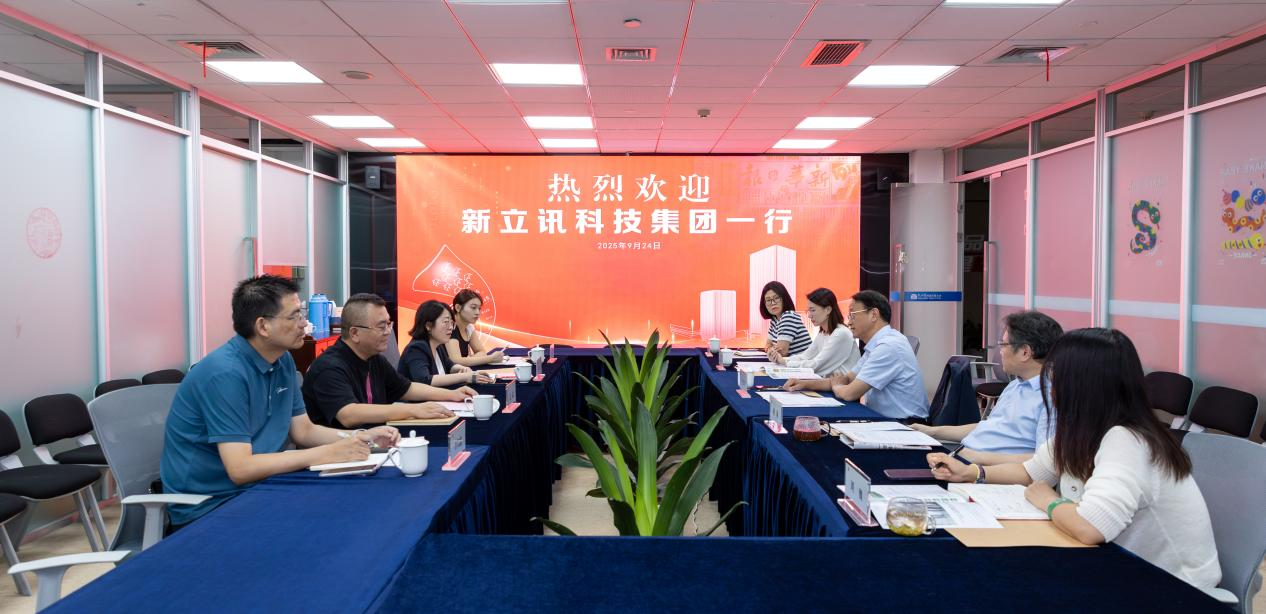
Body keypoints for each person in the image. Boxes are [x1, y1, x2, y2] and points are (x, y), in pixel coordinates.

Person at [927, 328, 1221, 593]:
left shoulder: (1127, 440)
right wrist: (972, 473)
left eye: (1056, 375)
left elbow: (1090, 527)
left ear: (1080, 384)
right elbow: (1030, 472)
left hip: (1172, 589)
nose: (1050, 384)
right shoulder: (1084, 428)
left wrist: (1048, 500)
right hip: (1113, 567)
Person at [160, 275, 399, 529]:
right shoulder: (225, 374)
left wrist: (362, 437)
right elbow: (240, 468)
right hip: (212, 505)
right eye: (295, 316)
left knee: (358, 506)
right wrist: (327, 453)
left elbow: (304, 431)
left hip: (262, 488)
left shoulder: (282, 360)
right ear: (263, 326)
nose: (304, 323)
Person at [911, 311, 1063, 465]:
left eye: (1003, 344)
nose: (1000, 351)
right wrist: (931, 431)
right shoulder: (1016, 385)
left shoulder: (1051, 398)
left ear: (1025, 352)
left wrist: (974, 459)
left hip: (983, 470)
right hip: (964, 457)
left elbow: (1043, 462)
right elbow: (989, 426)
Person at [302, 293, 473, 429]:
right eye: (381, 326)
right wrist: (414, 409)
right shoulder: (329, 366)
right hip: (337, 453)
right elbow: (349, 414)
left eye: (389, 324)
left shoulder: (375, 359)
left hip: (374, 442)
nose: (388, 332)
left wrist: (452, 395)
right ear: (354, 333)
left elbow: (407, 388)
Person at [786, 290, 927, 420]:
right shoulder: (877, 344)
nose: (849, 322)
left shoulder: (888, 346)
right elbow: (847, 379)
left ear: (874, 315)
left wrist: (836, 386)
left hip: (904, 424)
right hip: (883, 418)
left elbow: (849, 393)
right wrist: (804, 384)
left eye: (853, 315)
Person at [766, 287, 859, 377]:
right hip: (829, 382)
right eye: (808, 311)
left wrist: (783, 361)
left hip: (843, 386)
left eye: (813, 310)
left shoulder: (841, 333)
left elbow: (816, 366)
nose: (809, 315)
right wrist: (780, 359)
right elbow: (805, 356)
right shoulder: (823, 333)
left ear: (828, 310)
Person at [400, 300, 495, 387]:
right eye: (446, 322)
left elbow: (450, 366)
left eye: (451, 323)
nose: (450, 328)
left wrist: (467, 371)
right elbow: (424, 380)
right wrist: (464, 377)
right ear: (428, 325)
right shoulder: (416, 348)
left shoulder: (437, 345)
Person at [446, 289, 505, 367]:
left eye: (479, 309)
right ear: (458, 308)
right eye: (473, 308)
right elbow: (456, 361)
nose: (477, 312)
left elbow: (481, 352)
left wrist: (468, 360)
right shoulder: (450, 327)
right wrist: (491, 358)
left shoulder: (469, 327)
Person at [759, 281, 811, 358]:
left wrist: (772, 349)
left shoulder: (788, 316)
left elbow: (781, 353)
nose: (773, 303)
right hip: (791, 363)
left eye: (776, 298)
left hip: (803, 364)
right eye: (768, 300)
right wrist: (771, 349)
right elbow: (768, 345)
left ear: (784, 298)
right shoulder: (774, 320)